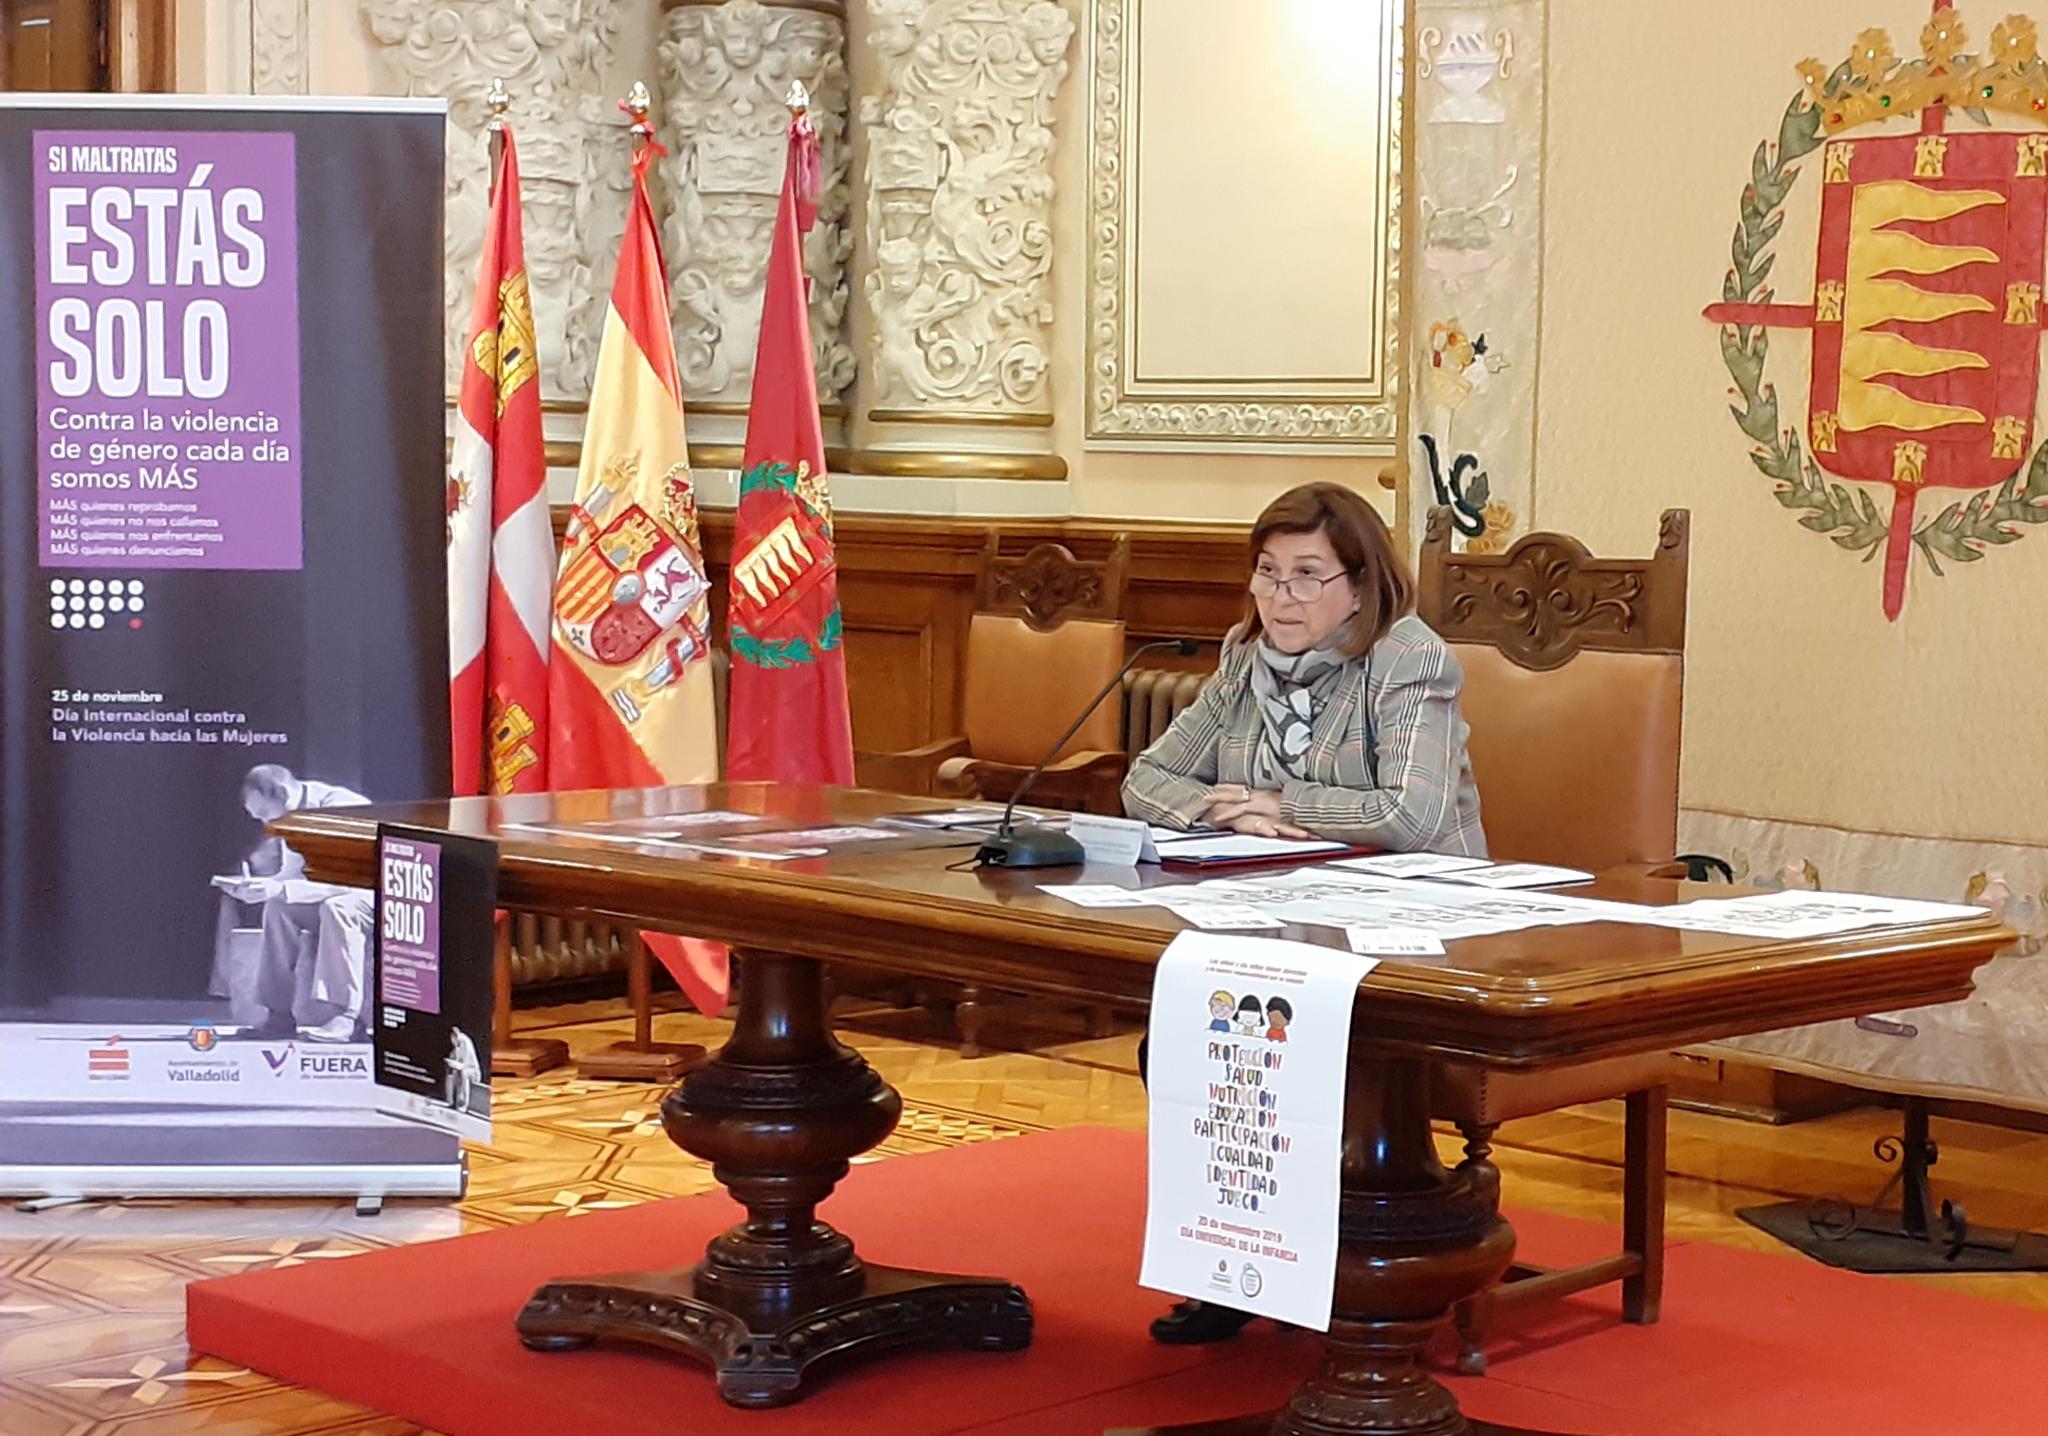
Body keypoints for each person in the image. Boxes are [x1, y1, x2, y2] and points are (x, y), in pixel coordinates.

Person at [1125, 481, 1488, 1346]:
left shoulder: (1408, 660)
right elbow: (1145, 779)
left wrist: (1277, 800)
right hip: (1280, 913)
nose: (1280, 598)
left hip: (1418, 922)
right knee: (1186, 1034)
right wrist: (1224, 811)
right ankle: (1237, 1259)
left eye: (1306, 576)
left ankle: (1364, 1261)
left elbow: (1410, 817)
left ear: (1359, 587)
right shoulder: (1244, 659)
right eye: (1267, 573)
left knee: (1304, 1038)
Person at [210, 765, 373, 1043]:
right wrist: (259, 887)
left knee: (337, 908)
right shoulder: (289, 817)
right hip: (335, 891)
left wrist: (280, 888)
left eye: (265, 813)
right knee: (278, 907)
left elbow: (346, 882)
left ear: (284, 794)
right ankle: (278, 1014)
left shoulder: (341, 808)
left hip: (377, 894)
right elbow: (294, 875)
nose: (265, 824)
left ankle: (343, 1016)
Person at [445, 1027, 483, 1116]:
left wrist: (453, 1064)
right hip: (463, 1068)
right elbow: (455, 1059)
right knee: (452, 1073)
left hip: (472, 1071)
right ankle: (452, 1101)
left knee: (463, 1073)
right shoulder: (457, 1046)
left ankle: (462, 1104)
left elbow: (465, 1064)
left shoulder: (464, 1042)